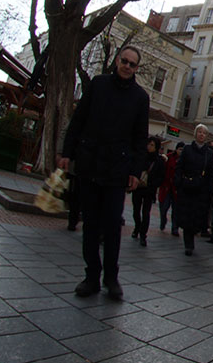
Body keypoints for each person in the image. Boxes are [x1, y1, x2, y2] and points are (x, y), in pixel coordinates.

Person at [58, 46, 149, 300]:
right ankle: (91, 276)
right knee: (90, 224)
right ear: (117, 60)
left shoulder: (140, 98)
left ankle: (111, 276)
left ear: (136, 69)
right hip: (90, 164)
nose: (127, 66)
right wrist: (67, 152)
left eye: (132, 64)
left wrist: (135, 170)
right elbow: (78, 120)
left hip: (117, 171)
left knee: (111, 225)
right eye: (124, 61)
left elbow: (140, 139)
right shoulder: (97, 85)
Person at [175, 125, 213, 256]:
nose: (201, 135)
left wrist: (209, 189)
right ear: (195, 133)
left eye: (204, 133)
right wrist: (179, 182)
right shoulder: (187, 149)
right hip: (187, 187)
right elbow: (179, 167)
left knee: (197, 216)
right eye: (199, 132)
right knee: (187, 215)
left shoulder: (209, 153)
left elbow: (210, 173)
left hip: (201, 189)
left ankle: (193, 234)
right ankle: (189, 244)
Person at [131, 136, 166, 247]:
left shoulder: (159, 161)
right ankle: (137, 227)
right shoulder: (141, 157)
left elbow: (161, 176)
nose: (149, 147)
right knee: (136, 210)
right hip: (138, 187)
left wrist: (154, 184)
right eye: (149, 144)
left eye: (152, 145)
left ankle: (143, 234)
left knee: (146, 213)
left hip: (149, 190)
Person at [158, 143, 180, 236]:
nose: (181, 151)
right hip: (167, 186)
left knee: (176, 210)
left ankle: (175, 228)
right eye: (180, 149)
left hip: (177, 188)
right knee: (164, 207)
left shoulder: (184, 160)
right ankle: (163, 220)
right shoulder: (168, 158)